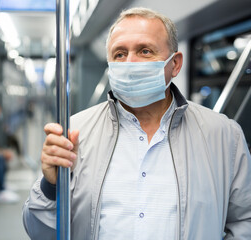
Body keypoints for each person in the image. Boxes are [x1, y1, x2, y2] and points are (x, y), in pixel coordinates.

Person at [22, 7, 251, 239]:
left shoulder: (223, 135)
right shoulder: (75, 133)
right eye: (119, 54)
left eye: (145, 51)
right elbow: (40, 232)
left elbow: (245, 222)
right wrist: (51, 188)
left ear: (175, 64)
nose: (130, 64)